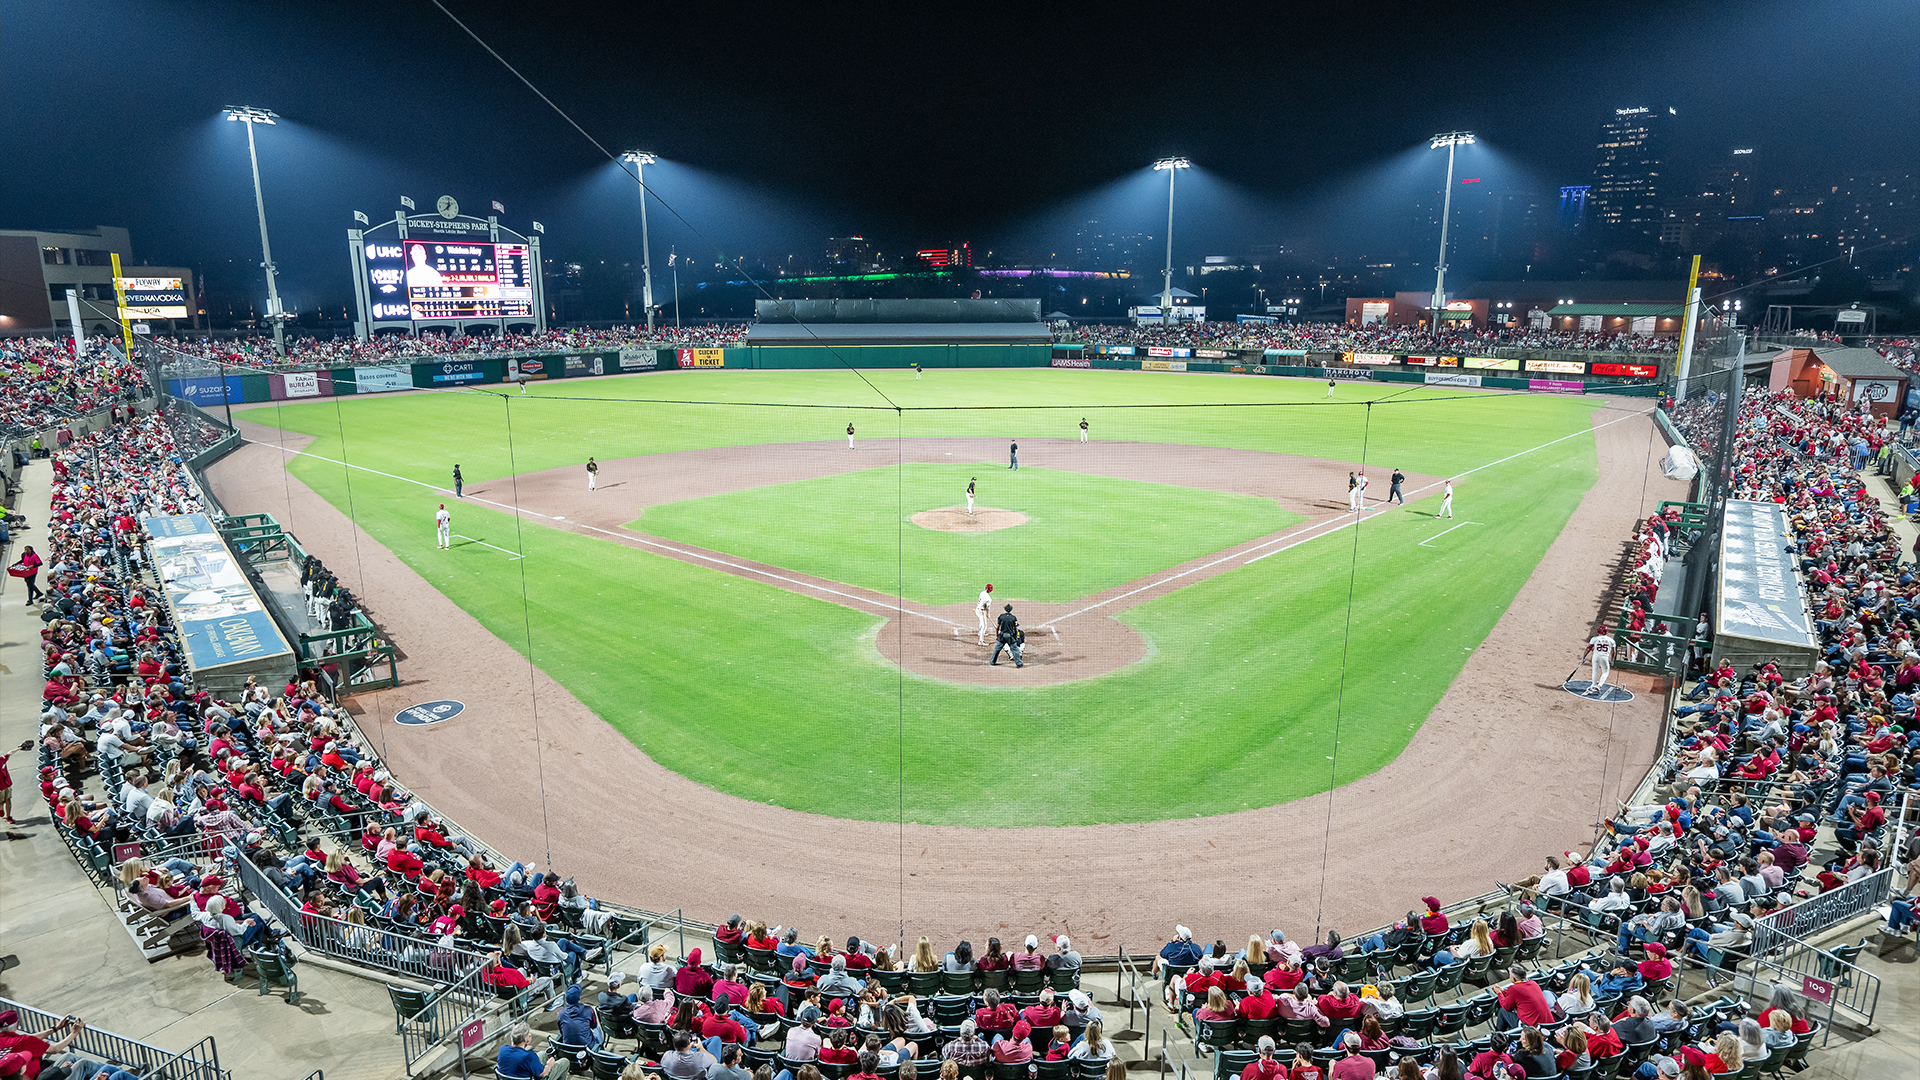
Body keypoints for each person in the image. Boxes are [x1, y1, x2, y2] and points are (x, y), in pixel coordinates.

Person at [1584, 626, 1617, 694]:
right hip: (1604, 657)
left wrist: (1584, 657)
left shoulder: (1594, 638)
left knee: (1595, 671)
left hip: (1595, 656)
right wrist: (1612, 659)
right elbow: (1614, 652)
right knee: (1605, 672)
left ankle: (1593, 685)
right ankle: (1599, 686)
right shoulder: (1611, 640)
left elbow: (1588, 648)